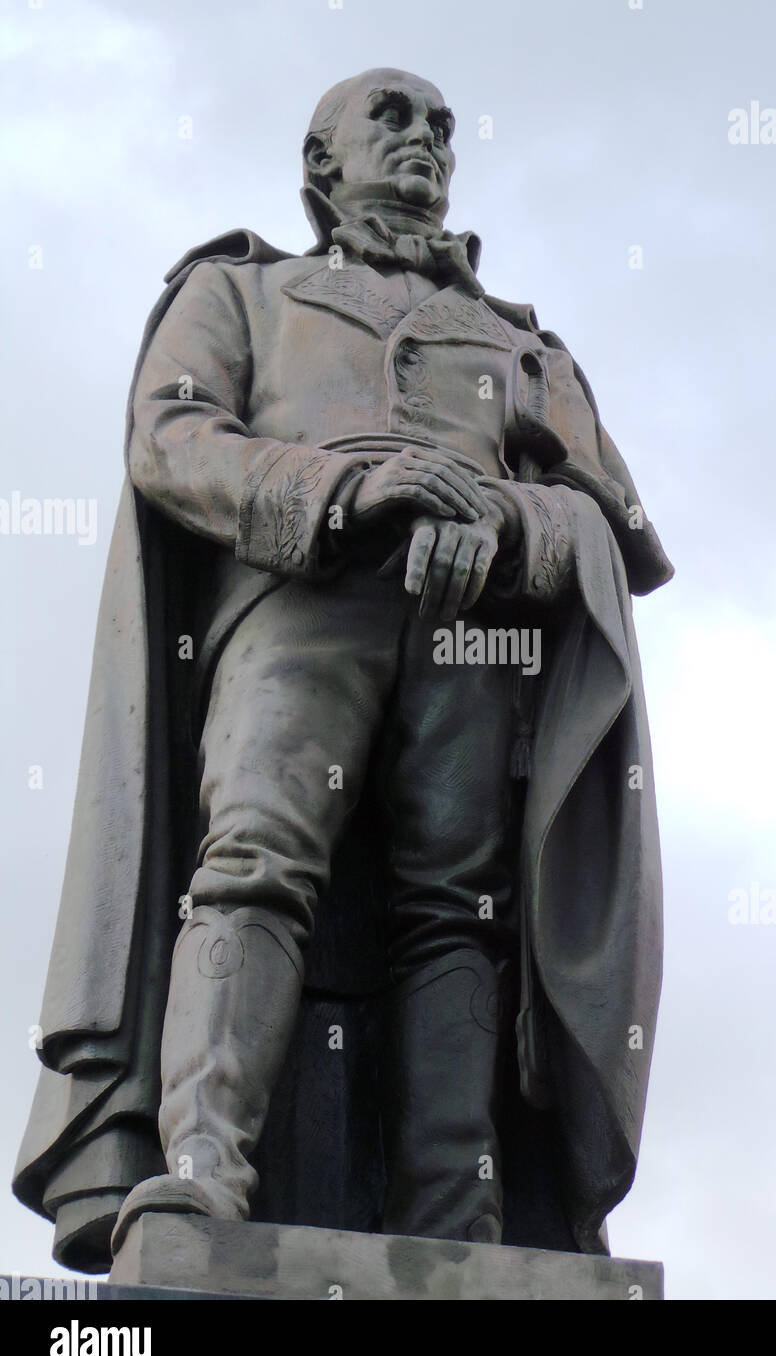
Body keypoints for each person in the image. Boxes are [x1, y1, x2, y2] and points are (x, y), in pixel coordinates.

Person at [14, 68, 673, 1270]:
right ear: (319, 167)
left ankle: (454, 1226)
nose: (424, 138)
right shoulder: (237, 290)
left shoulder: (525, 346)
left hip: (478, 626)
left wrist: (512, 527)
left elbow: (610, 515)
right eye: (391, 118)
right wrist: (339, 488)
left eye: (442, 127)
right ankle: (202, 1170)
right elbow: (173, 437)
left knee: (458, 918)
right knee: (253, 865)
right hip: (298, 597)